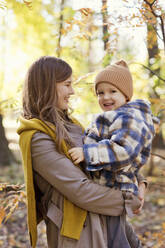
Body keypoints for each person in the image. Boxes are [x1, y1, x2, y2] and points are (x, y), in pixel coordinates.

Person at [17, 56, 147, 248]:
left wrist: (141, 182)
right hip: (81, 234)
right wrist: (129, 200)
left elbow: (111, 153)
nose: (72, 91)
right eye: (67, 84)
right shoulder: (38, 138)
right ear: (48, 86)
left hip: (108, 220)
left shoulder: (74, 126)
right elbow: (81, 191)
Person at [69, 60, 156, 247]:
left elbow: (124, 152)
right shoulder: (113, 117)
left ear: (126, 95)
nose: (105, 97)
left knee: (115, 240)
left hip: (116, 190)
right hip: (109, 188)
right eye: (100, 93)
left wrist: (87, 153)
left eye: (112, 91)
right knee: (117, 235)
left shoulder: (130, 118)